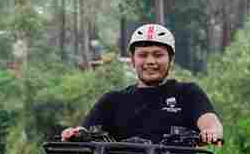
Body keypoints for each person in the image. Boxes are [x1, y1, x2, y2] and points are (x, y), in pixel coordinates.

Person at [61, 23, 223, 144]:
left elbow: (210, 122)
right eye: (143, 55)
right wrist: (74, 134)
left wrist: (211, 131)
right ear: (133, 60)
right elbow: (85, 130)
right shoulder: (112, 100)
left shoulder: (188, 93)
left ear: (171, 59)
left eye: (158, 55)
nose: (150, 61)